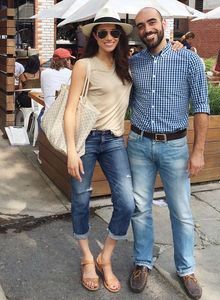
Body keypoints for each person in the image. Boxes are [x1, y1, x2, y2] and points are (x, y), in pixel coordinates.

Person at [127, 7, 209, 300]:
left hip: (175, 146)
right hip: (138, 143)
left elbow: (201, 107)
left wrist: (197, 152)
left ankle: (186, 268)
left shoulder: (189, 60)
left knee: (182, 212)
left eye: (152, 22)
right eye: (140, 26)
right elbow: (128, 98)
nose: (147, 29)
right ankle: (142, 262)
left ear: (163, 24)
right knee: (141, 209)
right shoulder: (134, 63)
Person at [64, 7, 135, 293]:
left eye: (114, 31)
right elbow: (70, 110)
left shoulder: (126, 64)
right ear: (94, 35)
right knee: (81, 199)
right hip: (87, 141)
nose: (109, 36)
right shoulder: (85, 65)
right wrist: (71, 150)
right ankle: (86, 258)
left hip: (115, 140)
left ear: (120, 35)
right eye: (102, 32)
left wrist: (180, 48)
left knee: (127, 203)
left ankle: (105, 257)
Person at [40, 48, 73, 112]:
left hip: (48, 115)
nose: (70, 62)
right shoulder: (71, 73)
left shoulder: (44, 73)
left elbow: (43, 91)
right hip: (64, 114)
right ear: (66, 60)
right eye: (69, 59)